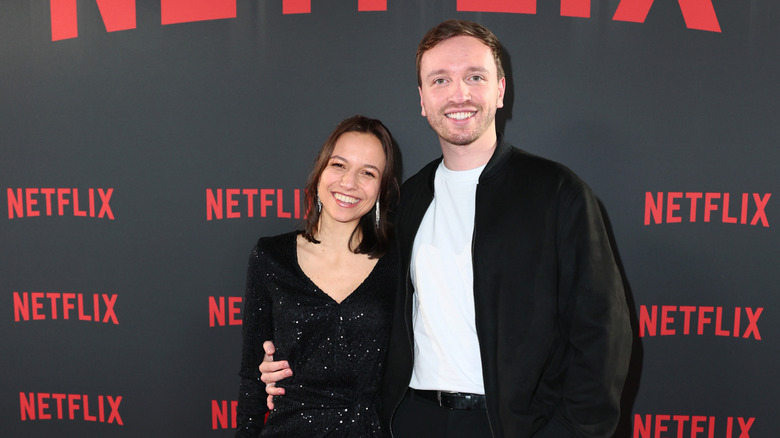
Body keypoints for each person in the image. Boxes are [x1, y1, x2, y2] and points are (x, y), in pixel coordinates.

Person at [261, 19, 632, 438]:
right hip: (412, 419)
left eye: (475, 76)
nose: (459, 94)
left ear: (500, 90)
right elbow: (357, 307)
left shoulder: (556, 193)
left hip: (511, 427)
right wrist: (291, 365)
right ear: (422, 99)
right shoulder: (406, 202)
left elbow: (603, 336)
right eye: (440, 80)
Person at [235, 115, 400, 437]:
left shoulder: (399, 262)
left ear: (381, 189)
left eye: (368, 173)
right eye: (339, 165)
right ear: (321, 170)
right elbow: (252, 377)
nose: (349, 183)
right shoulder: (271, 257)